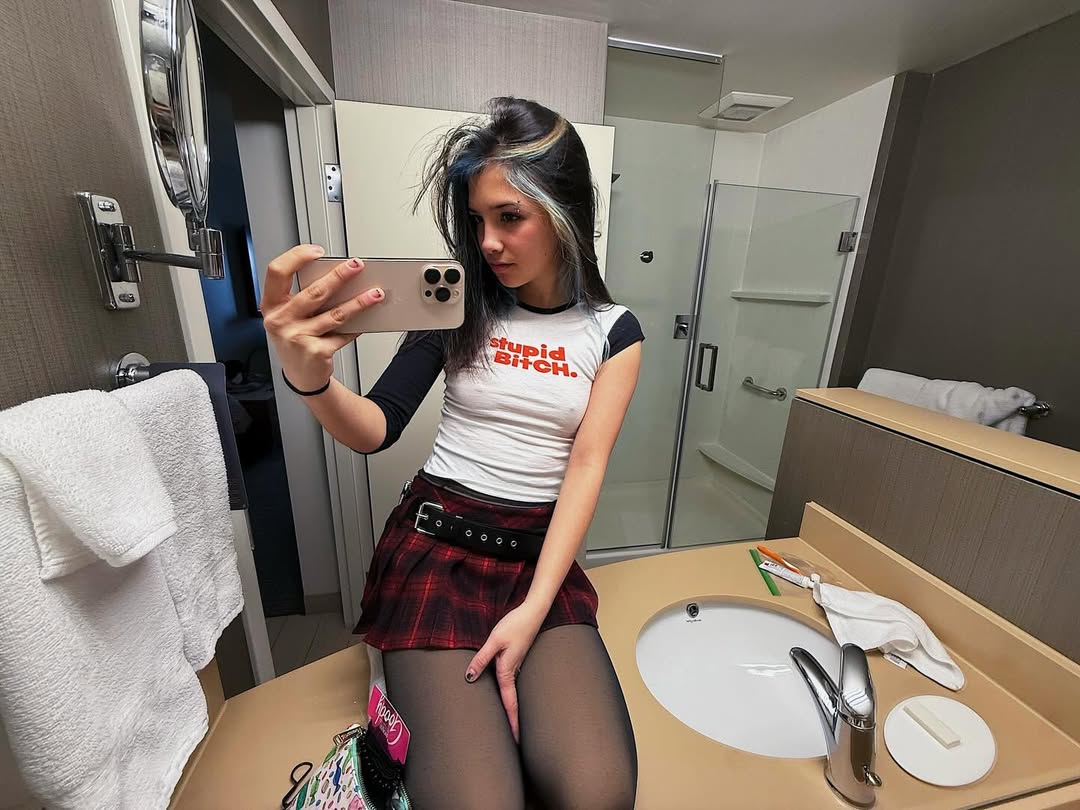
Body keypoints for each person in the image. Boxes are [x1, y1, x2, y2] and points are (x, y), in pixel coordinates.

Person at [262, 97, 641, 809]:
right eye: (477, 220)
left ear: (564, 210)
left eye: (509, 217)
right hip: (436, 550)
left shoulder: (614, 332)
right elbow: (376, 426)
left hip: (538, 561)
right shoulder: (456, 302)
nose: (488, 242)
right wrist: (309, 378)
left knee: (600, 793)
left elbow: (586, 467)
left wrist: (533, 609)